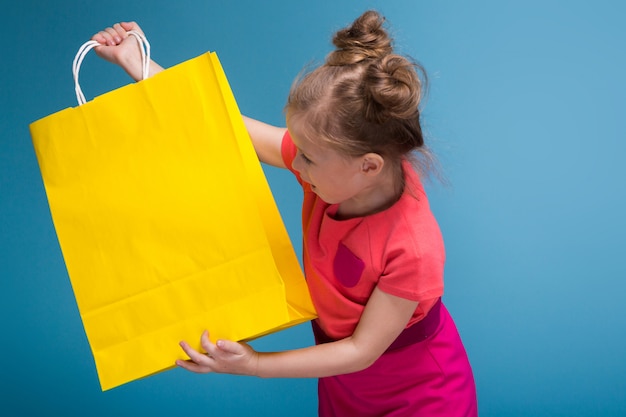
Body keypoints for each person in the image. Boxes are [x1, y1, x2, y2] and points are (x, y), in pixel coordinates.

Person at [92, 10, 478, 416]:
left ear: (368, 166)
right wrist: (139, 66)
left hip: (420, 396)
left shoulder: (414, 250)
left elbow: (361, 350)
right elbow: (228, 128)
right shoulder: (337, 173)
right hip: (346, 385)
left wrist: (255, 364)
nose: (294, 164)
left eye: (307, 157)